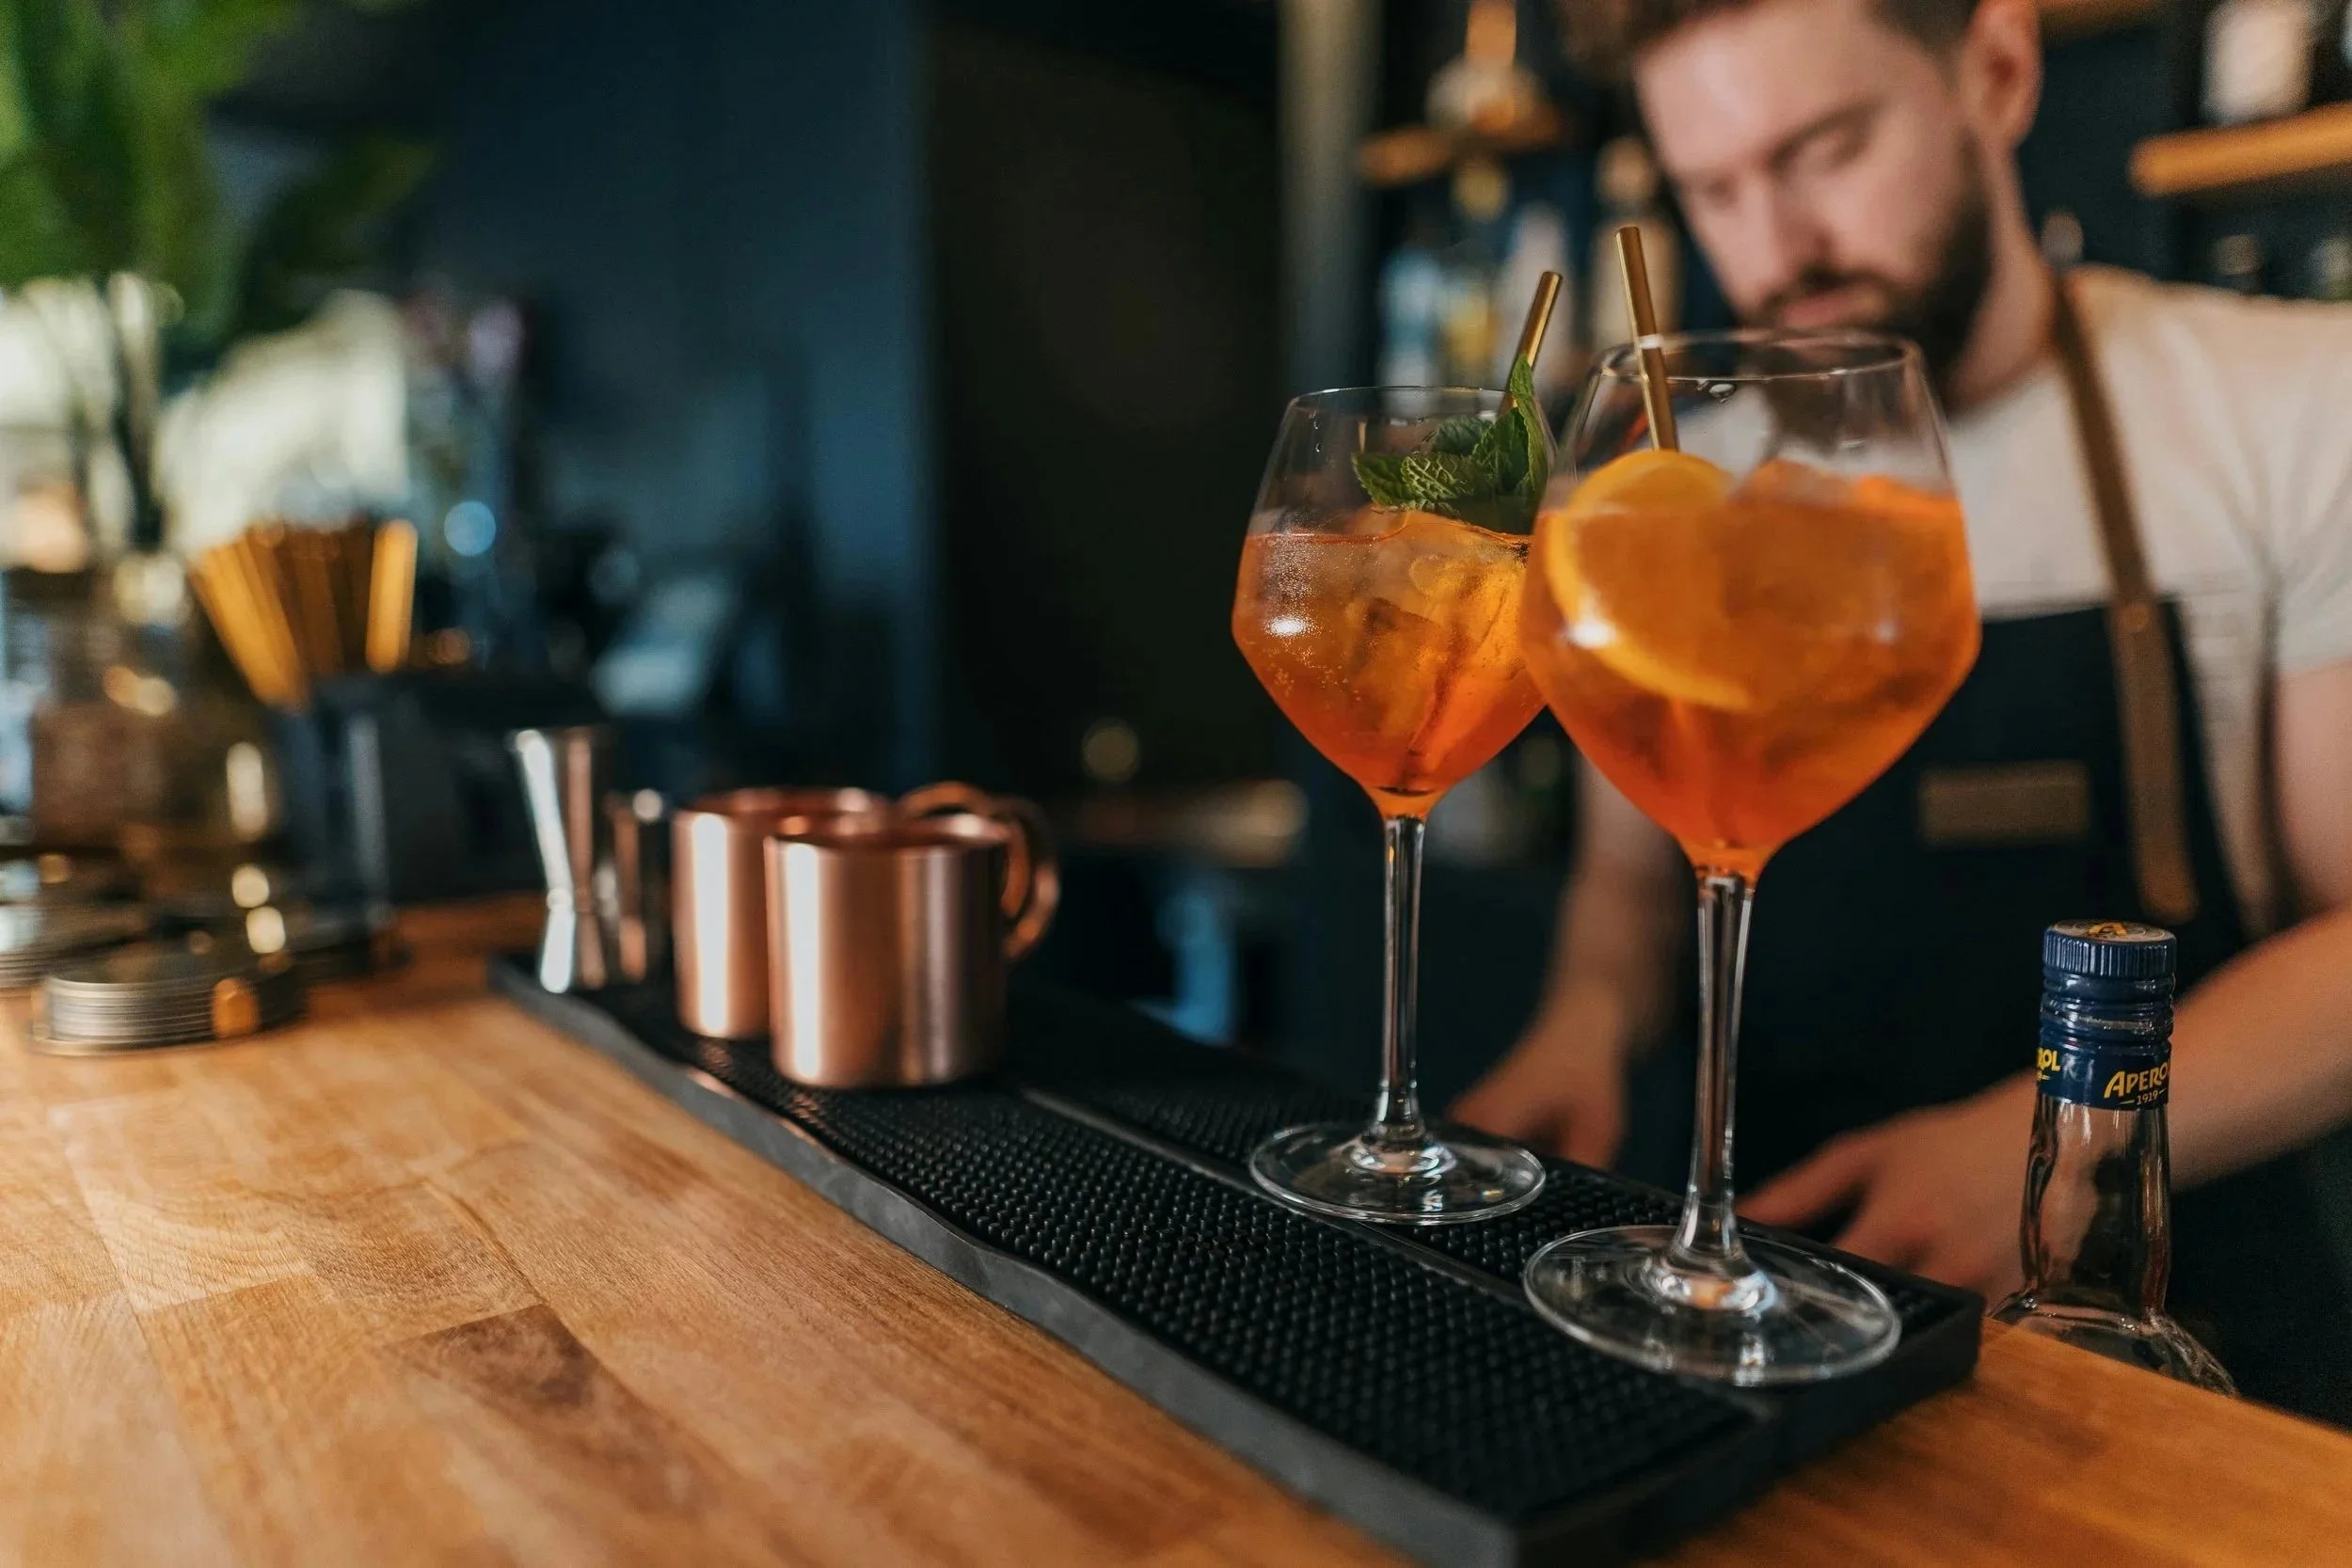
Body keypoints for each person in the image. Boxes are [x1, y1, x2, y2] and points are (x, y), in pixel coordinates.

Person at [1454, 0, 2352, 1418]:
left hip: (2160, 1325)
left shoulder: (2291, 401)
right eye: (1714, 186)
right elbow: (1631, 886)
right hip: (1759, 1291)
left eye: (1825, 147)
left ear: (1994, 71)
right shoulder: (1675, 484)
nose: (1773, 244)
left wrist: (2037, 1156)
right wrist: (1581, 1023)